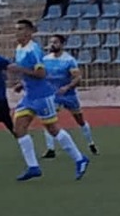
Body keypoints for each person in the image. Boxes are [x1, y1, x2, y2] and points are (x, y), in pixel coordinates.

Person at [7, 19, 88, 181]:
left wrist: (20, 70)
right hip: (29, 96)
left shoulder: (34, 50)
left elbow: (41, 74)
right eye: (16, 29)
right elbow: (28, 72)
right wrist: (22, 83)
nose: (17, 32)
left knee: (53, 129)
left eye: (21, 29)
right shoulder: (19, 48)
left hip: (43, 96)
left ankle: (80, 159)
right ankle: (33, 167)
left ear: (29, 32)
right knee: (19, 128)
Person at [41, 33, 97, 158]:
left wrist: (67, 87)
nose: (52, 45)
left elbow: (77, 78)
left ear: (62, 45)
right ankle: (50, 149)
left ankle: (91, 143)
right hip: (53, 95)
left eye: (55, 42)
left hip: (69, 95)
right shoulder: (45, 59)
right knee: (48, 120)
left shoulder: (69, 60)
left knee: (79, 120)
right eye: (51, 42)